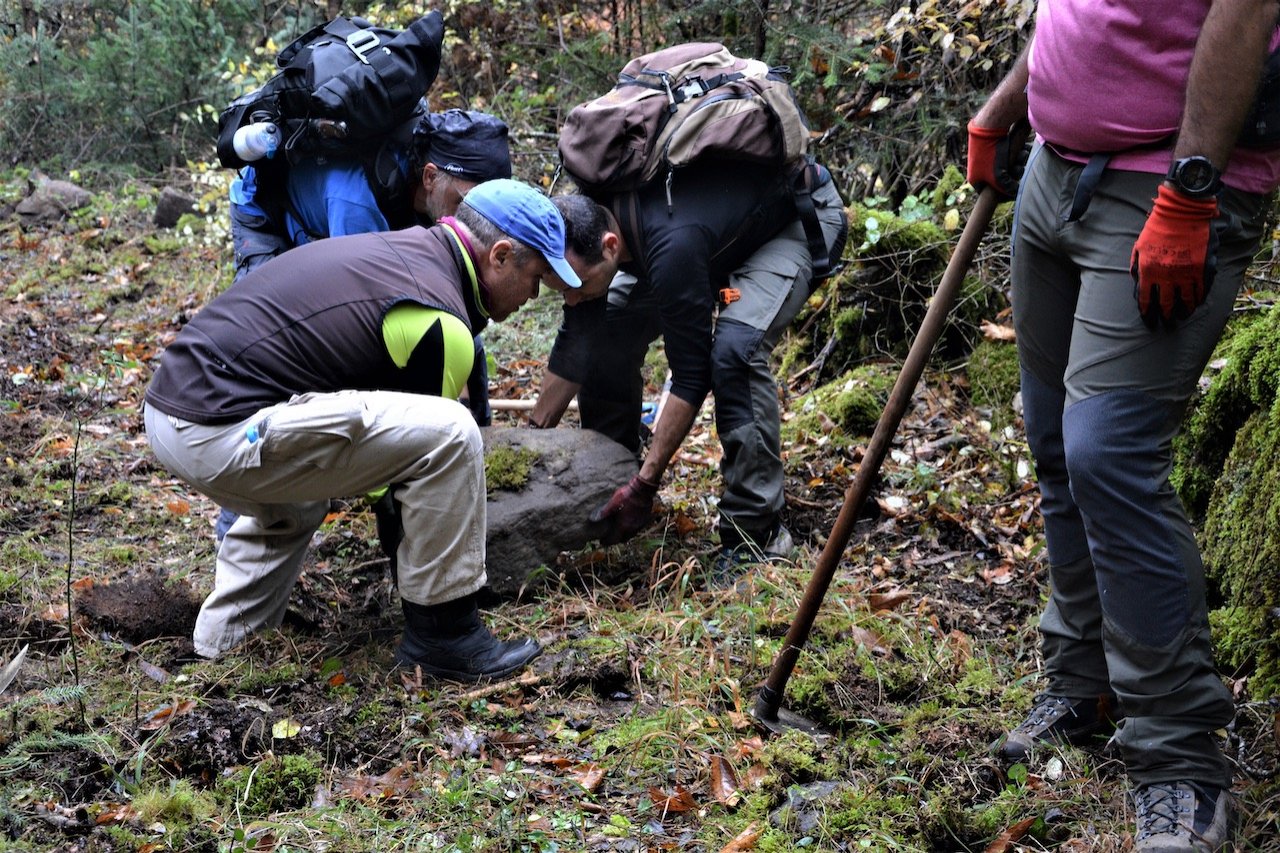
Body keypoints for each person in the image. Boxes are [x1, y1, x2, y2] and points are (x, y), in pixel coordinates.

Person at [968, 2, 1280, 849]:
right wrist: (1005, 107)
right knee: (1054, 440)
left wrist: (1190, 190)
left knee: (1108, 451)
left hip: (1163, 187)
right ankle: (1083, 679)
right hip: (1053, 172)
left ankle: (1181, 759)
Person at [144, 179, 582, 681]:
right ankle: (446, 638)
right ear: (500, 255)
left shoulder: (406, 252)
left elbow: (381, 457)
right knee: (453, 433)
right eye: (537, 278)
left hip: (174, 412)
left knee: (296, 498)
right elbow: (410, 477)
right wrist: (426, 581)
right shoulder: (441, 322)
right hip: (221, 427)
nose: (533, 295)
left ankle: (224, 647)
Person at [532, 159, 848, 574]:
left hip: (790, 221)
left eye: (576, 286)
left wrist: (646, 485)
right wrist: (530, 445)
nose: (570, 299)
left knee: (736, 352)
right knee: (605, 325)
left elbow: (690, 377)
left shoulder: (671, 248)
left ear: (611, 246)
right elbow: (579, 341)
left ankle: (757, 534)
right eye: (562, 288)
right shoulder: (586, 219)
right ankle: (609, 478)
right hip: (711, 232)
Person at [216, 108, 512, 542]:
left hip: (347, 213)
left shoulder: (425, 196)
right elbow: (354, 320)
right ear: (431, 177)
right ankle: (240, 527)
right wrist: (387, 490)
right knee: (277, 356)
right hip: (268, 215)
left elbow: (454, 316)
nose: (477, 220)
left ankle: (477, 455)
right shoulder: (359, 206)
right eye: (467, 203)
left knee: (454, 320)